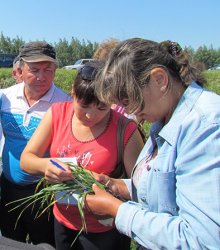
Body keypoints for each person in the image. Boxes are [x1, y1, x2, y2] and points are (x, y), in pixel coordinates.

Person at [84, 38, 220, 249]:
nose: (128, 111)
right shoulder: (165, 117)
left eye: (129, 100)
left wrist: (117, 211)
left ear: (159, 79)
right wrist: (116, 185)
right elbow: (167, 191)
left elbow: (201, 240)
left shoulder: (205, 127)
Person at [20, 60, 144, 250]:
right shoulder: (57, 113)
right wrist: (47, 166)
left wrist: (109, 184)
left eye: (102, 108)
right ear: (73, 92)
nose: (90, 115)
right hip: (62, 220)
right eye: (83, 105)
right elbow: (26, 159)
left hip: (104, 229)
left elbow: (142, 189)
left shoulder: (125, 130)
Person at [0, 41, 72, 246]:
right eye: (34, 70)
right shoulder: (5, 97)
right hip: (9, 188)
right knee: (10, 241)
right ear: (20, 70)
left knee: (45, 243)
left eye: (48, 69)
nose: (42, 77)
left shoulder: (64, 104)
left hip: (44, 193)